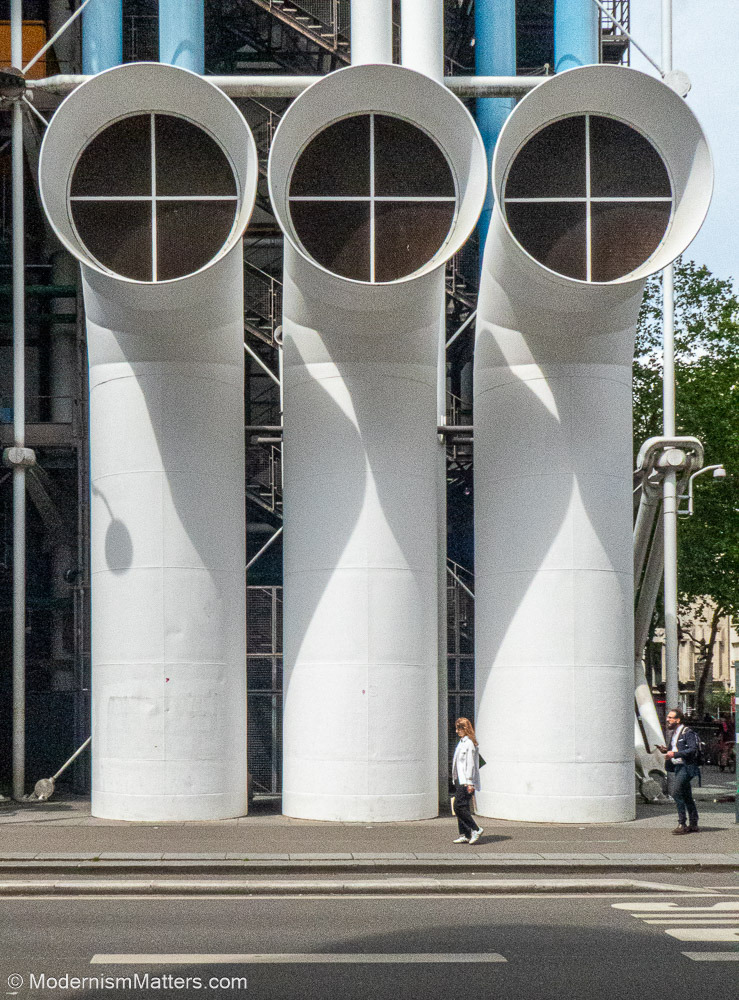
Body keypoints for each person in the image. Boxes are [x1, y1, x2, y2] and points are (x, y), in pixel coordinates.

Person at [657, 708, 701, 835]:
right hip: (677, 767)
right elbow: (676, 749)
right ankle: (693, 823)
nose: (668, 720)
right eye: (668, 717)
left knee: (676, 792)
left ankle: (682, 823)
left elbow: (692, 749)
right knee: (686, 795)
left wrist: (674, 754)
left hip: (686, 767)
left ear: (678, 720)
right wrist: (666, 750)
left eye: (671, 718)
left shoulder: (687, 732)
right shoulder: (675, 733)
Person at [450, 717, 483, 845]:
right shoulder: (462, 742)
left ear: (465, 729)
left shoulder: (469, 743)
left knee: (458, 806)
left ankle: (476, 829)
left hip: (465, 780)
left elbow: (471, 764)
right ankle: (466, 834)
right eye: (456, 728)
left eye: (459, 728)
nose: (457, 731)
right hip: (459, 779)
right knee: (462, 807)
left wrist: (470, 782)